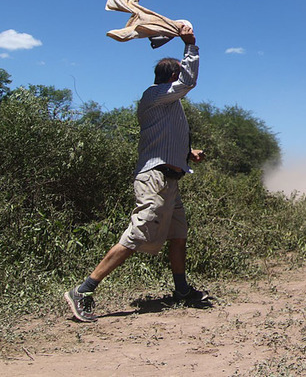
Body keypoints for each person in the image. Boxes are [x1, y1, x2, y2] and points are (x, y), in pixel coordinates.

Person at [65, 24, 209, 322]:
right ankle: (84, 289)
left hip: (171, 180)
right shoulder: (154, 96)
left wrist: (188, 153)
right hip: (154, 179)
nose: (182, 78)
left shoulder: (169, 106)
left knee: (178, 234)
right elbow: (189, 82)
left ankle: (181, 290)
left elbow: (165, 138)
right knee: (139, 233)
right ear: (172, 77)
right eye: (179, 73)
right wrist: (190, 45)